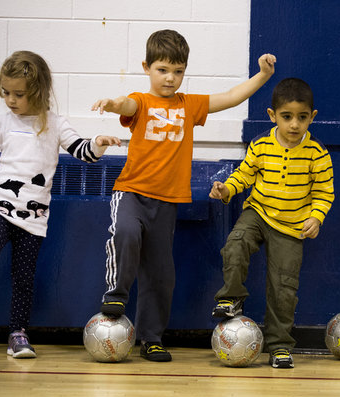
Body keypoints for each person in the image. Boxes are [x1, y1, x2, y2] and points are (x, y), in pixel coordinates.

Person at [91, 30, 276, 362]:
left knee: (161, 274)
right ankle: (116, 293)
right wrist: (112, 103)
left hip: (167, 201)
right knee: (126, 232)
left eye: (178, 71)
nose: (170, 78)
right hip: (132, 192)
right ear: (147, 67)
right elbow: (127, 104)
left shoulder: (189, 105)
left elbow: (232, 96)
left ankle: (151, 337)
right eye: (162, 70)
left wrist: (262, 75)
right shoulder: (142, 101)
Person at [0, 50, 120, 358]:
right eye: (5, 93)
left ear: (38, 91)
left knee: (23, 277)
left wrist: (98, 143)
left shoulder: (56, 124)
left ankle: (17, 334)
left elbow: (82, 151)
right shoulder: (3, 123)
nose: (10, 100)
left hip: (34, 216)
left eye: (18, 94)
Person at [209, 78, 334, 368]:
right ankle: (232, 298)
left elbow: (324, 193)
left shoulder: (317, 154)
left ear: (311, 118)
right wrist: (227, 189)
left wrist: (316, 217)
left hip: (291, 226)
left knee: (283, 288)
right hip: (259, 212)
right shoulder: (261, 145)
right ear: (272, 115)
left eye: (302, 118)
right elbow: (244, 175)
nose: (294, 125)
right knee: (236, 244)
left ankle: (279, 346)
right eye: (286, 117)